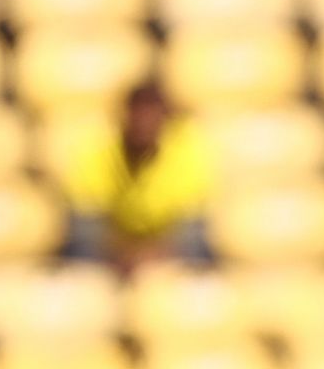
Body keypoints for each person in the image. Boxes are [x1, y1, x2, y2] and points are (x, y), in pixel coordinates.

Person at [60, 81, 214, 275]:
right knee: (80, 251)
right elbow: (87, 224)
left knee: (198, 251)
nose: (143, 123)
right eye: (137, 114)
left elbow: (191, 229)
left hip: (167, 253)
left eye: (151, 115)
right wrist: (124, 253)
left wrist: (152, 255)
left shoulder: (189, 153)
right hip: (111, 253)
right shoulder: (98, 152)